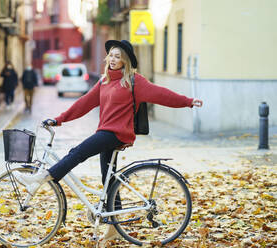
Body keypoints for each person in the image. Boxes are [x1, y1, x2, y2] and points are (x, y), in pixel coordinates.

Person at [13, 40, 203, 242]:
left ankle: (44, 177)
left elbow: (162, 95)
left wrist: (188, 102)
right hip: (106, 133)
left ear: (125, 61)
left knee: (77, 152)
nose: (113, 59)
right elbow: (84, 103)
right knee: (108, 179)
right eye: (111, 55)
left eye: (118, 56)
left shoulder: (134, 81)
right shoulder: (104, 81)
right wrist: (60, 119)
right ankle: (114, 229)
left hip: (117, 134)